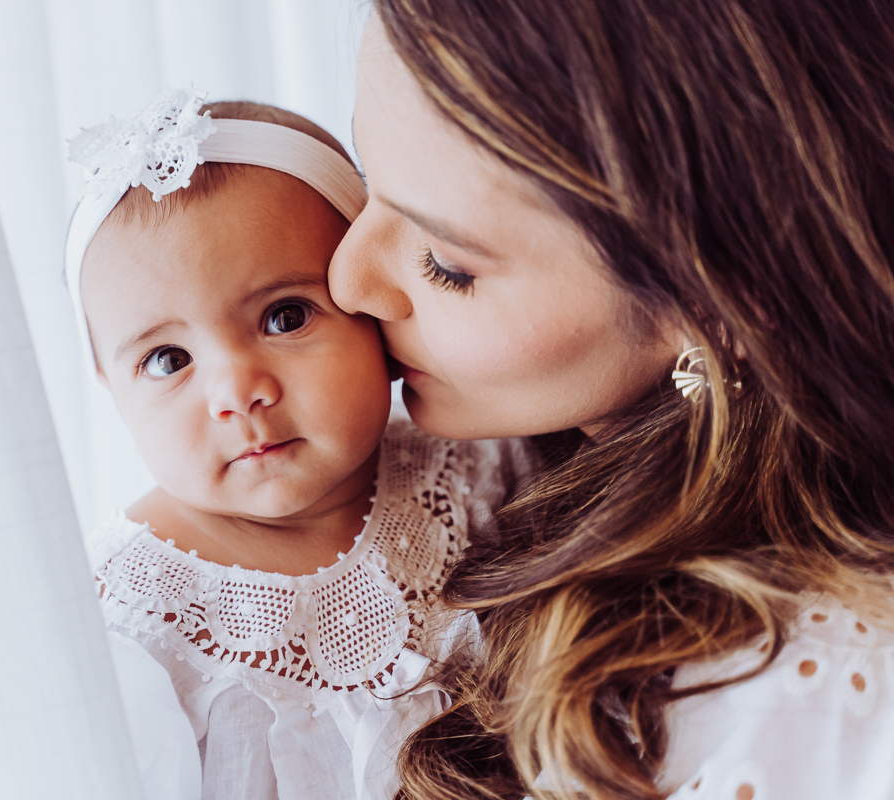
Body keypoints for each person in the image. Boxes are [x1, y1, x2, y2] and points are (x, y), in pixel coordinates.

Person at [328, 1, 894, 798]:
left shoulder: (799, 702)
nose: (346, 281)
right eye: (363, 175)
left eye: (447, 264)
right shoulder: (451, 463)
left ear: (717, 304)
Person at [64, 88, 530, 800]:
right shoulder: (134, 628)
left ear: (368, 300)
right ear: (108, 387)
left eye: (285, 317)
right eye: (168, 360)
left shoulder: (477, 465)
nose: (237, 392)